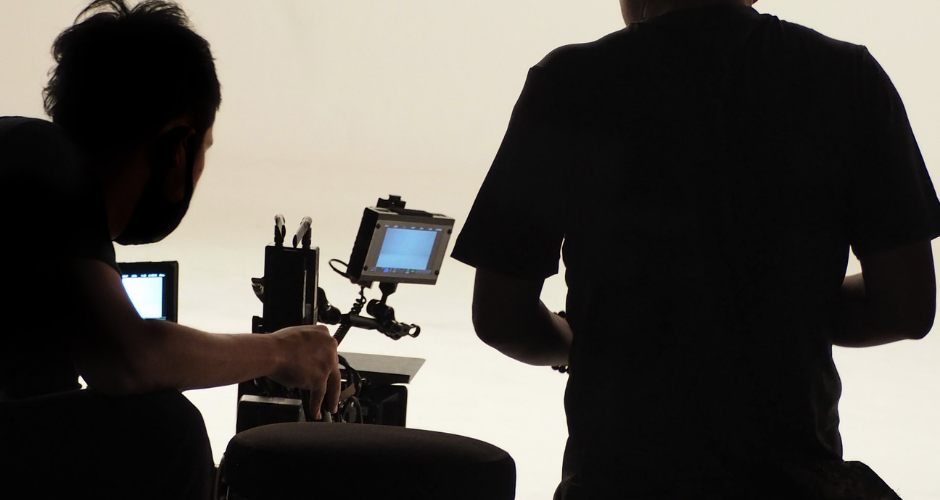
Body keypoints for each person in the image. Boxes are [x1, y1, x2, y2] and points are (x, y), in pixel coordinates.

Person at [452, 0, 940, 498]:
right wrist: (776, 311)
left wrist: (586, 340)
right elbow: (906, 307)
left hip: (618, 481)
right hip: (793, 481)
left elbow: (501, 317)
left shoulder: (571, 81)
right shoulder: (847, 76)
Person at [0, 1, 341, 498]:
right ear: (179, 146)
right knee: (162, 428)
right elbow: (129, 358)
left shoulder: (25, 161)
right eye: (203, 150)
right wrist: (281, 351)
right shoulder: (44, 161)